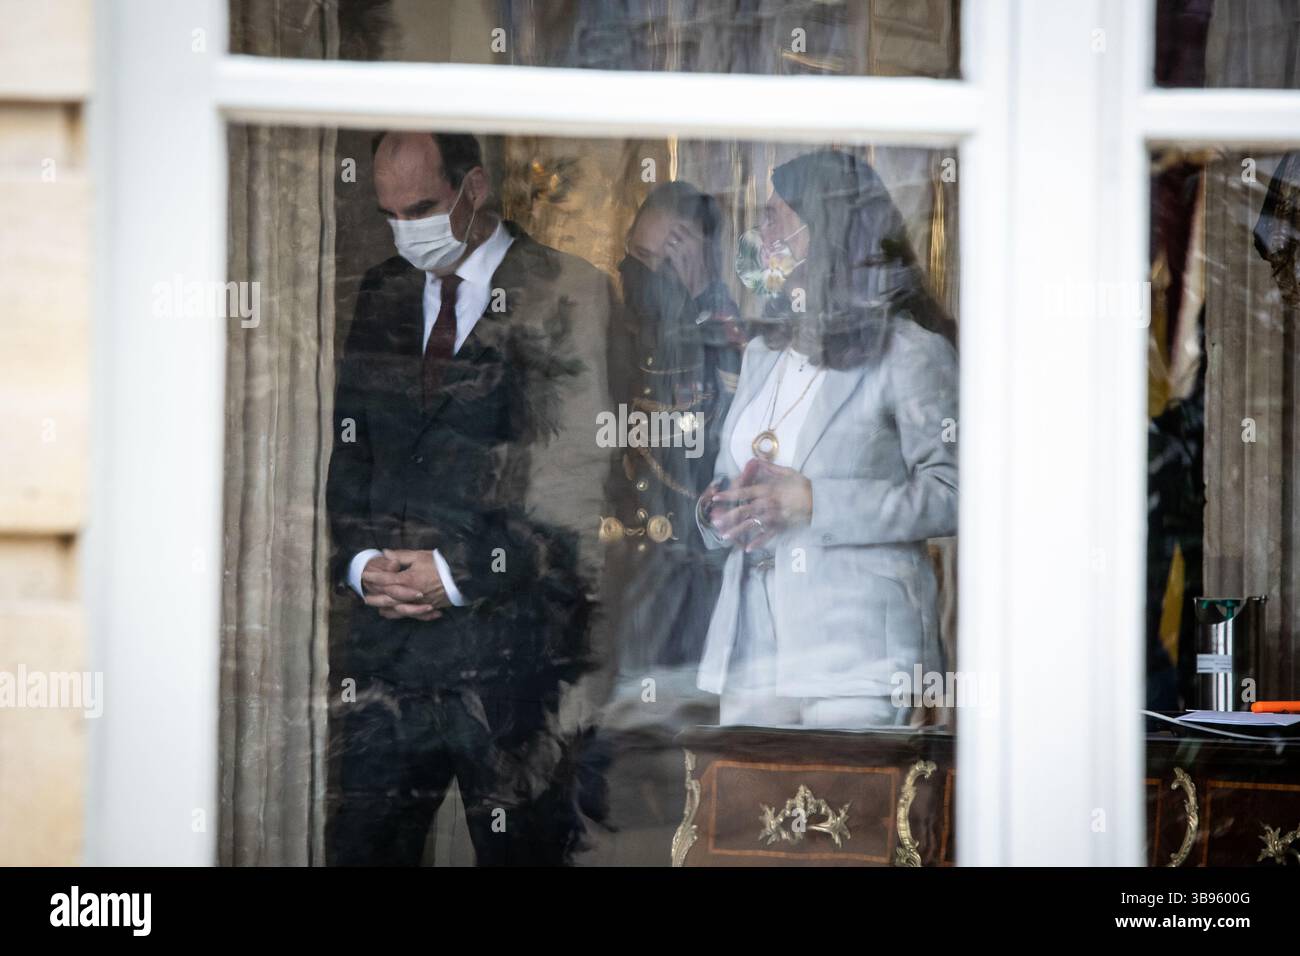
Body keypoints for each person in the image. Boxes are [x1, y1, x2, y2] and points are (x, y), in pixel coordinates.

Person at [325, 131, 617, 865]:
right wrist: (360, 563)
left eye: (420, 207)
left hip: (511, 657)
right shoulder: (382, 290)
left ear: (474, 187)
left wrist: (457, 574)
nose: (405, 230)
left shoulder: (566, 288)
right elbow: (352, 452)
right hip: (386, 654)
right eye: (389, 213)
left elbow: (572, 479)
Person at [695, 149, 958, 729]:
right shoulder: (764, 351)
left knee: (849, 816)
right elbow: (725, 475)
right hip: (752, 649)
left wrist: (814, 502)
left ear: (825, 230)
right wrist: (718, 512)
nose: (758, 234)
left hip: (858, 647)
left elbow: (954, 493)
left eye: (773, 218)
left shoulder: (910, 351)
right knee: (749, 816)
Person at [603, 181, 745, 707]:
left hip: (689, 584)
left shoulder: (724, 337)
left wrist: (702, 297)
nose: (640, 275)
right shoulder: (613, 325)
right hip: (617, 578)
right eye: (637, 256)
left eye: (662, 264)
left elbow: (728, 438)